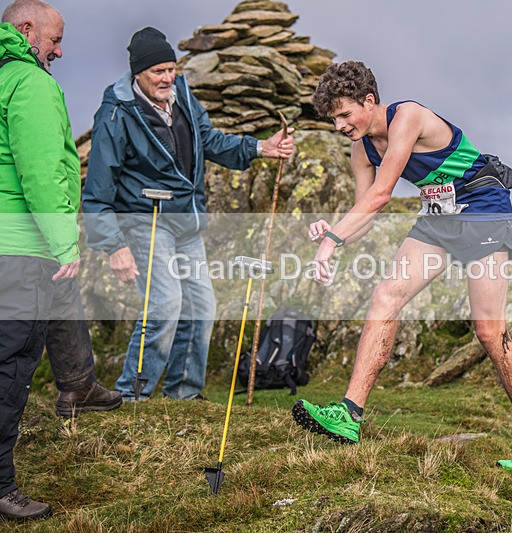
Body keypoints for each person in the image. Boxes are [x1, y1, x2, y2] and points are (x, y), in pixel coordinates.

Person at [292, 61, 512, 475]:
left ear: (369, 100)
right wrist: (334, 230)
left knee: (489, 331)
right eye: (333, 119)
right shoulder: (361, 150)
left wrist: (332, 241)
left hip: (482, 208)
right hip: (438, 216)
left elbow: (382, 194)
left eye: (344, 114)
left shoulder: (408, 116)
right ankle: (349, 414)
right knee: (386, 296)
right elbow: (366, 213)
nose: (339, 125)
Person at [83, 27, 294, 402]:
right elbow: (98, 186)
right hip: (145, 220)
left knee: (201, 307)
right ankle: (133, 394)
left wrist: (260, 147)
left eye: (171, 69)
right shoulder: (116, 114)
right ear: (138, 73)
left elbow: (208, 139)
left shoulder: (182, 96)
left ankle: (183, 391)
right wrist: (113, 245)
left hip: (186, 220)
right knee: (164, 304)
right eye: (158, 71)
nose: (167, 78)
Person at [0, 0, 108, 520]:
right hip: (23, 248)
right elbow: (42, 172)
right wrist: (65, 244)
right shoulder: (30, 83)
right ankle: (1, 486)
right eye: (55, 39)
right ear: (27, 30)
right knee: (11, 367)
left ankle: (79, 384)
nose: (60, 51)